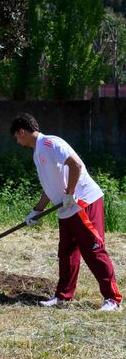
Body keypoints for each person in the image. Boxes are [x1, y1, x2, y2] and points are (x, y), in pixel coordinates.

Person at [11, 113, 121, 312]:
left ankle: (112, 299)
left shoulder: (51, 143)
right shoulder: (37, 153)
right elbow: (49, 186)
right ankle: (63, 296)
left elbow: (75, 164)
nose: (17, 142)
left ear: (22, 132)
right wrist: (37, 210)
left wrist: (70, 193)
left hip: (82, 202)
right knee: (67, 252)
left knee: (93, 249)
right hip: (65, 207)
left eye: (16, 137)